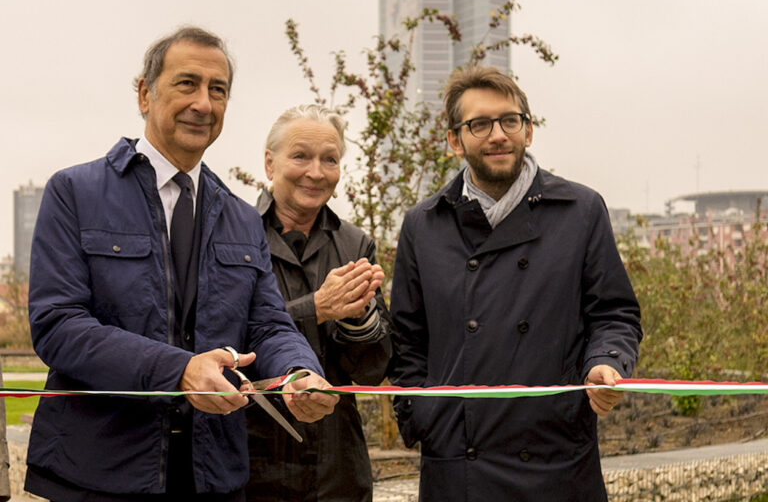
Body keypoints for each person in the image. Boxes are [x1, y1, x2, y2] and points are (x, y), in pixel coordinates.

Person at [25, 27, 338, 501]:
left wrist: (298, 372)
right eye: (187, 83)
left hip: (213, 477)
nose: (204, 104)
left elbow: (268, 325)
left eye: (218, 90)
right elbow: (58, 326)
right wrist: (178, 371)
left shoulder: (239, 216)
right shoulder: (74, 193)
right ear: (145, 94)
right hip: (97, 477)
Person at [388, 64, 642, 501]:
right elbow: (407, 341)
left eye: (510, 120)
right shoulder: (422, 224)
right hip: (457, 462)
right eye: (479, 124)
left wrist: (607, 362)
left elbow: (614, 314)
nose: (498, 134)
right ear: (455, 140)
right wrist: (421, 416)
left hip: (556, 458)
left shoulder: (580, 210)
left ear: (528, 131)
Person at [245, 104, 393, 502]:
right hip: (250, 461)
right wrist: (317, 308)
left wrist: (360, 321)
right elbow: (226, 339)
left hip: (336, 467)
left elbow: (371, 370)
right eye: (300, 156)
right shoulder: (234, 233)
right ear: (269, 163)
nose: (316, 172)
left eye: (330, 159)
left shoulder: (354, 244)